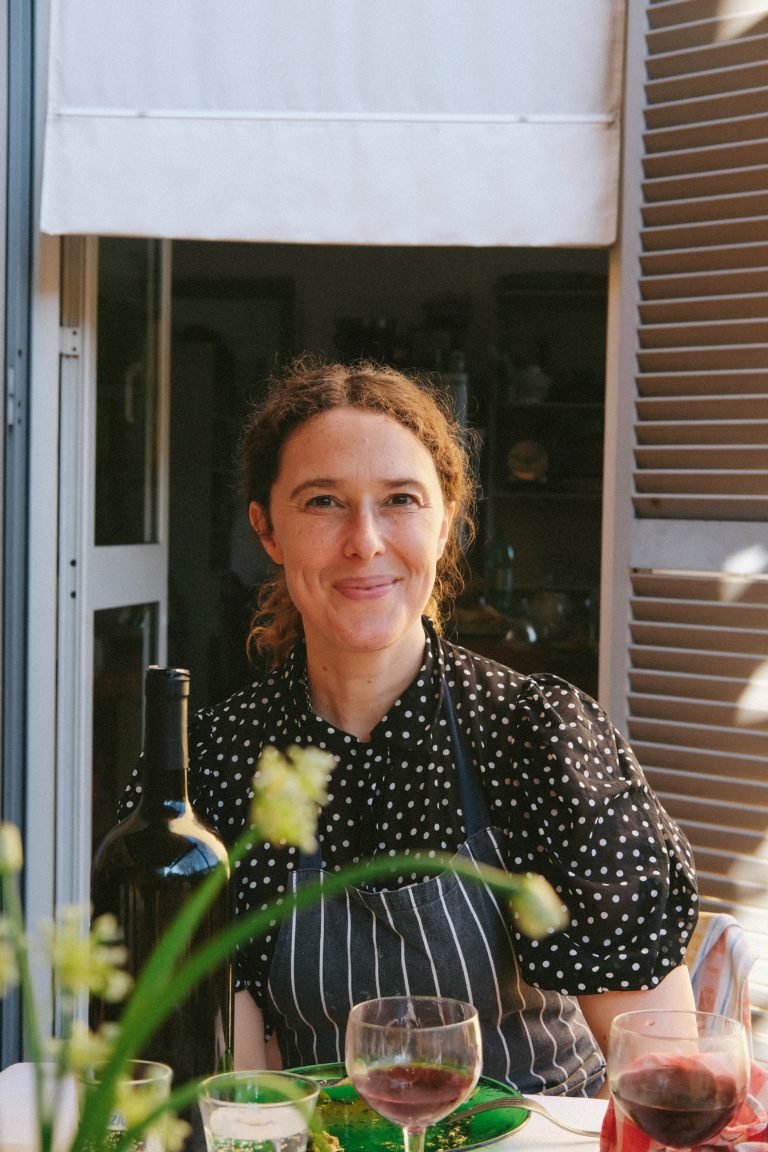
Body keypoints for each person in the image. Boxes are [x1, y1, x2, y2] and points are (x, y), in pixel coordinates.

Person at [122, 359, 699, 1096]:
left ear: (446, 521)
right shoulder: (212, 766)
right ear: (266, 530)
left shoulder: (537, 737)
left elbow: (654, 1069)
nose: (364, 541)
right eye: (323, 501)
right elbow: (234, 1094)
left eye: (400, 499)